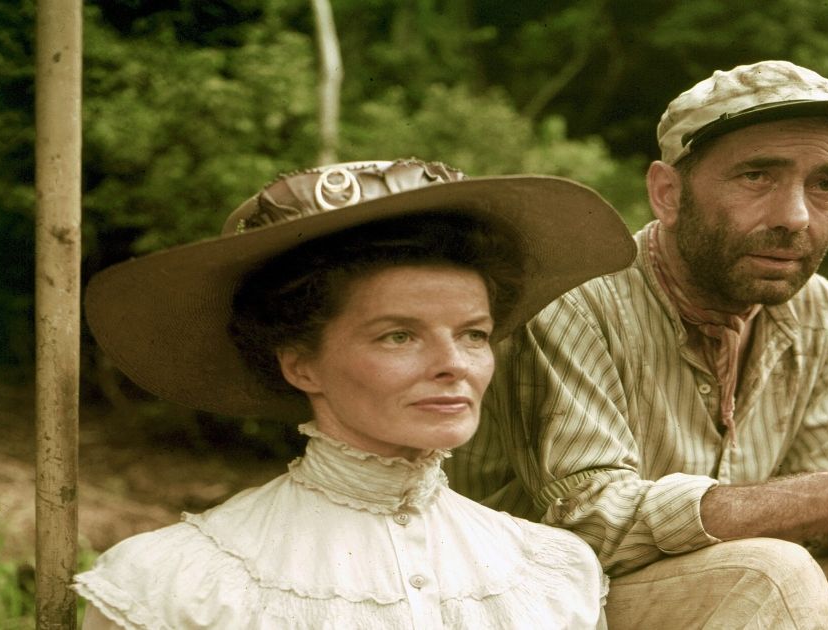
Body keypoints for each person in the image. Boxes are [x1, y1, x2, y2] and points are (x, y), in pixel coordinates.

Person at [446, 61, 828, 628]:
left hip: (717, 599)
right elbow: (591, 523)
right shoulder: (577, 298)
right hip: (541, 601)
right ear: (668, 194)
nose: (796, 217)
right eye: (757, 176)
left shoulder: (814, 308)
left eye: (825, 184)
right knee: (766, 574)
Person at [72, 158, 636, 629]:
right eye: (399, 335)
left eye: (474, 335)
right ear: (301, 366)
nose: (453, 366)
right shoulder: (174, 584)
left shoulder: (554, 572)